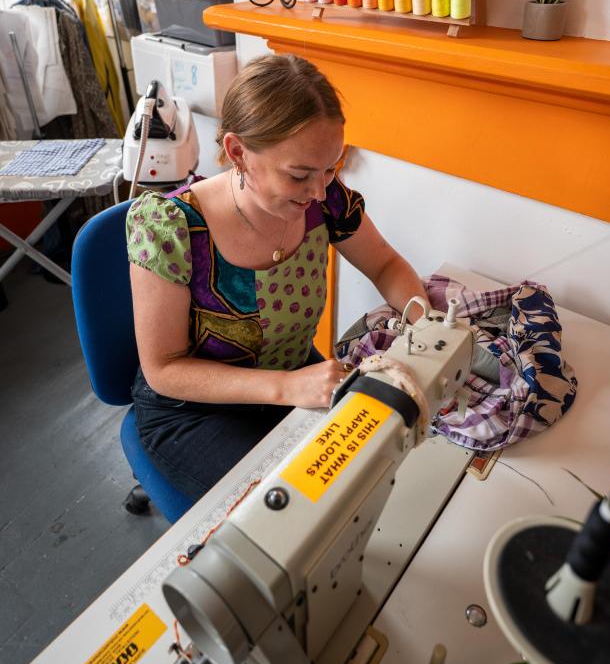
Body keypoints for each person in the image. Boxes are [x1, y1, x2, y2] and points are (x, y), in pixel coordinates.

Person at [127, 54, 428, 502]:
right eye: (300, 174)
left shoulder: (325, 203)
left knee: (378, 476)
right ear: (237, 152)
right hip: (193, 411)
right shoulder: (168, 227)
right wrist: (287, 387)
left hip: (290, 380)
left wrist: (425, 325)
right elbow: (163, 369)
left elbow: (385, 265)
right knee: (296, 509)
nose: (320, 190)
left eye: (331, 168)